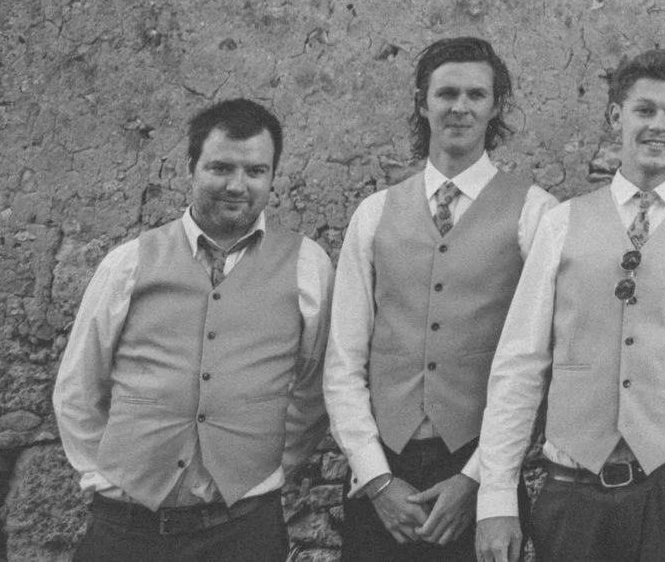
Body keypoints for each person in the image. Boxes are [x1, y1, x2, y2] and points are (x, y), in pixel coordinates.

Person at [473, 49, 665, 562]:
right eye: (644, 110)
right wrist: (496, 498)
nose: (658, 125)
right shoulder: (561, 223)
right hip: (572, 493)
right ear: (615, 116)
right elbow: (520, 363)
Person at [53, 98, 334, 562]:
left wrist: (264, 467)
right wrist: (103, 476)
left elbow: (315, 388)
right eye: (220, 168)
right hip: (128, 531)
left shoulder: (308, 265)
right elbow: (78, 387)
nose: (237, 186)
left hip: (243, 533)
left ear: (272, 176)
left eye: (256, 171)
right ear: (191, 168)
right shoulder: (129, 262)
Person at [326, 38, 556, 561]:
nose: (460, 107)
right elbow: (343, 362)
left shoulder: (536, 213)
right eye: (447, 93)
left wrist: (478, 481)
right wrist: (377, 481)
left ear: (496, 106)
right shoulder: (374, 214)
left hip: (479, 468)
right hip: (383, 471)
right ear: (422, 102)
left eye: (476, 94)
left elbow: (539, 363)